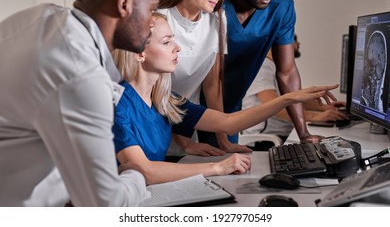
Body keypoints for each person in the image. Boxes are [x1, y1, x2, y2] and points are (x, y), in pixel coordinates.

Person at [0, 0, 159, 207]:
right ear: (124, 4)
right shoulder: (78, 72)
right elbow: (103, 206)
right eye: (151, 9)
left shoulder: (37, 20)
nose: (152, 21)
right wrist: (137, 176)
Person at [111, 12, 339, 184]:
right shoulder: (119, 103)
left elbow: (228, 122)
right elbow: (144, 170)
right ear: (140, 53)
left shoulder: (163, 99)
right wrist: (217, 168)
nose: (177, 47)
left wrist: (288, 99)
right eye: (167, 41)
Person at [198, 0, 326, 148]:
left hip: (230, 108)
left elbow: (287, 72)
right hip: (193, 102)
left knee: (227, 169)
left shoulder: (282, 7)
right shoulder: (215, 4)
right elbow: (210, 79)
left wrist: (303, 132)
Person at [157, 0, 252, 157]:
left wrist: (223, 140)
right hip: (159, 126)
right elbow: (153, 90)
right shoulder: (159, 20)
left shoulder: (218, 20)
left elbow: (212, 85)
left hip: (188, 127)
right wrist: (183, 143)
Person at [242, 35, 349, 143]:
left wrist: (328, 108)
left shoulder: (277, 67)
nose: (298, 44)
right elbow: (275, 107)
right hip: (266, 139)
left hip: (283, 134)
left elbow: (296, 100)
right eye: (295, 40)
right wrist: (315, 116)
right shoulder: (262, 67)